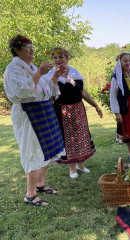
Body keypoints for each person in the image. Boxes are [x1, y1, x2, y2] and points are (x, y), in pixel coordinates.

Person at [4, 35, 65, 206]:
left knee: (47, 149)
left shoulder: (29, 66)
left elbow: (46, 88)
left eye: (32, 46)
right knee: (33, 150)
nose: (31, 49)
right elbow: (22, 92)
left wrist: (55, 75)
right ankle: (30, 194)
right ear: (16, 50)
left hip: (42, 110)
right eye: (26, 46)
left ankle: (40, 185)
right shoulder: (13, 69)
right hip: (28, 112)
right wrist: (39, 73)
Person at [45, 47, 103, 178]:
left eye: (61, 57)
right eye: (55, 57)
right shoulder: (50, 76)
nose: (58, 60)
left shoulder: (75, 73)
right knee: (69, 138)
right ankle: (72, 168)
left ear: (67, 59)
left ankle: (80, 164)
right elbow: (51, 97)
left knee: (80, 136)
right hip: (62, 111)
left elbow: (83, 92)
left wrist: (96, 106)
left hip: (78, 110)